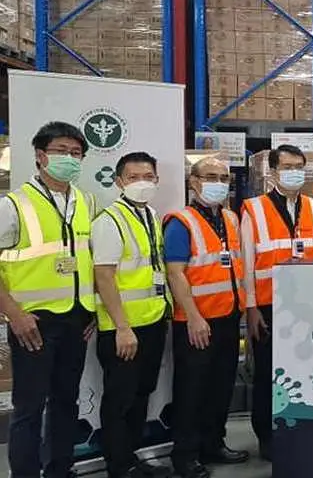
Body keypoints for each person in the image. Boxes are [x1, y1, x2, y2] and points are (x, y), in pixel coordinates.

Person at [0, 122, 96, 478]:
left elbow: (89, 258)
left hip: (77, 318)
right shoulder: (14, 204)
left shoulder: (86, 201)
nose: (69, 158)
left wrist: (91, 308)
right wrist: (14, 315)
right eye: (61, 151)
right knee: (29, 408)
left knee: (66, 401)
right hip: (33, 323)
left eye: (76, 153)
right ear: (41, 156)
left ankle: (60, 469)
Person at [164, 157, 249, 478]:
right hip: (197, 321)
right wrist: (193, 317)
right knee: (192, 390)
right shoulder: (181, 222)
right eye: (211, 176)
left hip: (228, 316)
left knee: (221, 386)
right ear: (194, 182)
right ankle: (185, 455)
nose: (219, 183)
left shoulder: (230, 218)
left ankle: (214, 443)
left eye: (224, 178)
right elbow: (175, 273)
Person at [92, 152, 172, 478]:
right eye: (134, 177)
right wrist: (122, 328)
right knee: (120, 401)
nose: (142, 183)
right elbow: (104, 276)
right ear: (119, 181)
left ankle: (131, 458)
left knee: (141, 395)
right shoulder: (110, 221)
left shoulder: (150, 214)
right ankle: (119, 466)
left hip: (151, 322)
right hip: (123, 329)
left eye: (148, 177)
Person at [241, 145, 313, 461]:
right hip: (268, 306)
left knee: (302, 371)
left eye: (299, 166)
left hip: (306, 307)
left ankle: (299, 429)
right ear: (273, 172)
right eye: (287, 167)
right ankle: (267, 436)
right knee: (267, 374)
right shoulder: (254, 209)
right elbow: (247, 263)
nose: (294, 172)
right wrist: (251, 308)